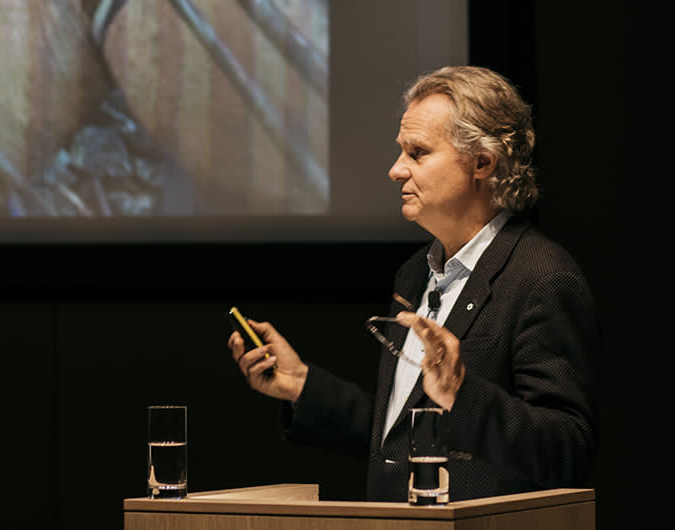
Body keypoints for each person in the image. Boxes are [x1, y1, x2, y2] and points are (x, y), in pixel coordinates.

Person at [228, 66, 597, 502]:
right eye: (401, 152)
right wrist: (301, 386)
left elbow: (567, 450)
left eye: (417, 153)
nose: (395, 170)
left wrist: (462, 394)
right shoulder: (414, 273)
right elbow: (401, 434)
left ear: (482, 162)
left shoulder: (542, 278)